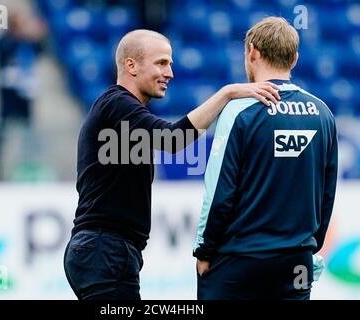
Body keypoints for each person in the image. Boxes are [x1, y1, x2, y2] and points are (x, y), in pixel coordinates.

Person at [63, 29, 280, 300]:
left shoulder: (124, 112)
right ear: (131, 65)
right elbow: (174, 139)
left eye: (171, 64)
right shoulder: (116, 104)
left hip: (105, 251)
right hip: (104, 250)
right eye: (162, 63)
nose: (170, 73)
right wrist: (227, 93)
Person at [193, 17, 338, 300]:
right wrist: (310, 247)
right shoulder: (323, 114)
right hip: (296, 261)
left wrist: (205, 249)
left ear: (252, 52)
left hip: (240, 258)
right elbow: (327, 194)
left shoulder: (240, 110)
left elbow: (219, 191)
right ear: (294, 59)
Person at [0, 10, 46, 181]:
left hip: (25, 98)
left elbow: (40, 50)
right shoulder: (4, 41)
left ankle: (30, 171)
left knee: (29, 138)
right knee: (0, 138)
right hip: (8, 99)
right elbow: (3, 52)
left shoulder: (28, 44)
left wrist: (38, 35)